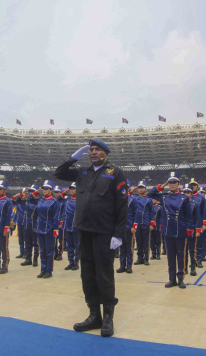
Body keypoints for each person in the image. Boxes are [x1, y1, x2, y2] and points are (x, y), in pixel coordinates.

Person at [54, 139, 128, 338]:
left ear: (106, 153)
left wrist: (119, 234)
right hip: (84, 231)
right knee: (87, 274)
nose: (93, 152)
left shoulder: (115, 173)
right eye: (91, 150)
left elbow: (122, 206)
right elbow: (58, 173)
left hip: (105, 233)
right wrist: (73, 158)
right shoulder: (82, 172)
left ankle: (107, 318)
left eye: (97, 150)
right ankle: (94, 315)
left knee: (104, 275)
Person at [148, 172, 194, 289]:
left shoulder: (184, 197)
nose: (172, 184)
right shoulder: (164, 196)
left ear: (178, 183)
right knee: (171, 256)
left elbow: (188, 215)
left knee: (181, 255)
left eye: (174, 182)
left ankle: (180, 279)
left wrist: (189, 228)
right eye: (170, 182)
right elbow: (150, 194)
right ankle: (172, 279)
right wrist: (161, 186)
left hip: (180, 229)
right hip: (168, 230)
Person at [32, 180, 60, 279]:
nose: (44, 190)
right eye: (43, 188)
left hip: (49, 229)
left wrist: (55, 230)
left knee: (49, 251)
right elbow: (30, 199)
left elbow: (56, 217)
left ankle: (49, 270)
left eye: (46, 189)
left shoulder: (54, 202)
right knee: (42, 250)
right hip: (40, 228)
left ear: (51, 190)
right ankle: (42, 270)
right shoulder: (40, 200)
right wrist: (36, 191)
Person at [13, 185, 41, 267]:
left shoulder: (39, 200)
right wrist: (22, 193)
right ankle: (28, 259)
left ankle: (35, 259)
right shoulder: (26, 201)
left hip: (35, 225)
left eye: (33, 191)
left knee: (35, 243)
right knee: (27, 243)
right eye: (30, 191)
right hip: (26, 225)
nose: (30, 193)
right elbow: (17, 200)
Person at [132, 180, 154, 267]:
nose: (140, 189)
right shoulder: (135, 198)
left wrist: (152, 223)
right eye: (139, 188)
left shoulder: (149, 200)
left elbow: (152, 212)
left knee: (146, 242)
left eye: (142, 188)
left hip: (146, 222)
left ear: (145, 189)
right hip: (137, 223)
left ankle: (146, 258)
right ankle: (140, 258)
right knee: (138, 241)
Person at [60, 183, 79, 271]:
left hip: (76, 227)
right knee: (70, 246)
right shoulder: (66, 200)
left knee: (77, 246)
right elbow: (58, 199)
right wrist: (65, 192)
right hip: (67, 227)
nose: (72, 190)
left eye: (73, 189)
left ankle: (76, 263)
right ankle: (70, 262)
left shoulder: (80, 201)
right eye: (70, 189)